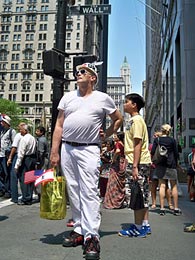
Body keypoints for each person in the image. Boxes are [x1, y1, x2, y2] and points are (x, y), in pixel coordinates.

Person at [50, 62, 123, 260]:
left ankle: (92, 236)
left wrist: (106, 134)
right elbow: (59, 125)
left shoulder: (103, 98)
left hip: (90, 148)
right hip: (67, 147)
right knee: (73, 189)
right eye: (77, 72)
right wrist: (54, 151)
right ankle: (79, 229)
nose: (78, 74)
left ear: (93, 77)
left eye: (83, 72)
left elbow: (118, 119)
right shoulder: (68, 98)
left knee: (89, 190)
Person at [118, 93, 152, 238]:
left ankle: (138, 227)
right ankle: (144, 224)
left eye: (127, 102)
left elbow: (137, 143)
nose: (124, 104)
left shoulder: (136, 121)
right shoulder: (134, 120)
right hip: (138, 161)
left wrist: (135, 166)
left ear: (134, 105)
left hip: (137, 162)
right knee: (142, 193)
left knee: (136, 194)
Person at [151, 124, 182, 216]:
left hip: (160, 165)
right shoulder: (173, 140)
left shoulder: (157, 140)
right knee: (174, 186)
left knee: (162, 186)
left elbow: (152, 152)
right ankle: (176, 208)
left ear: (162, 130)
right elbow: (176, 153)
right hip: (171, 164)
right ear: (169, 131)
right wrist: (177, 164)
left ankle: (162, 208)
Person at [149, 131, 173, 210]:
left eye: (155, 136)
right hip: (160, 166)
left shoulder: (153, 145)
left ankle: (155, 203)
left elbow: (151, 153)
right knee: (161, 185)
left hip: (155, 165)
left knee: (157, 185)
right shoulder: (165, 145)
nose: (154, 137)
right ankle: (169, 204)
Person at [14, 124, 36, 205]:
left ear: (25, 131)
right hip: (32, 158)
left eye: (21, 130)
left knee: (24, 179)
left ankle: (25, 198)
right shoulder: (32, 138)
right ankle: (29, 196)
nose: (20, 131)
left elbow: (21, 153)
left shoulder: (24, 139)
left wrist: (17, 165)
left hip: (26, 159)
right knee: (30, 179)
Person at [103, 132, 126, 209]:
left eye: (115, 136)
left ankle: (113, 202)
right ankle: (119, 201)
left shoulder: (117, 144)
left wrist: (113, 159)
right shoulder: (123, 143)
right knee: (120, 183)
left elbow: (118, 151)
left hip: (117, 163)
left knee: (113, 182)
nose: (114, 137)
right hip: (123, 163)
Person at [7, 122, 26, 203]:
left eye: (20, 127)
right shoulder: (30, 137)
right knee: (23, 177)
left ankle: (14, 197)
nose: (19, 128)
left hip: (17, 155)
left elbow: (14, 147)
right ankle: (26, 196)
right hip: (26, 157)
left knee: (14, 176)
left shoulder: (18, 135)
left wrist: (10, 158)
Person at [0, 115, 16, 198]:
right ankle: (2, 189)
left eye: (3, 122)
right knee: (1, 173)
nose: (1, 123)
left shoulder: (11, 132)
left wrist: (9, 155)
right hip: (1, 155)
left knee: (7, 174)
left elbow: (14, 144)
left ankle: (8, 190)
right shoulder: (2, 131)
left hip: (6, 156)